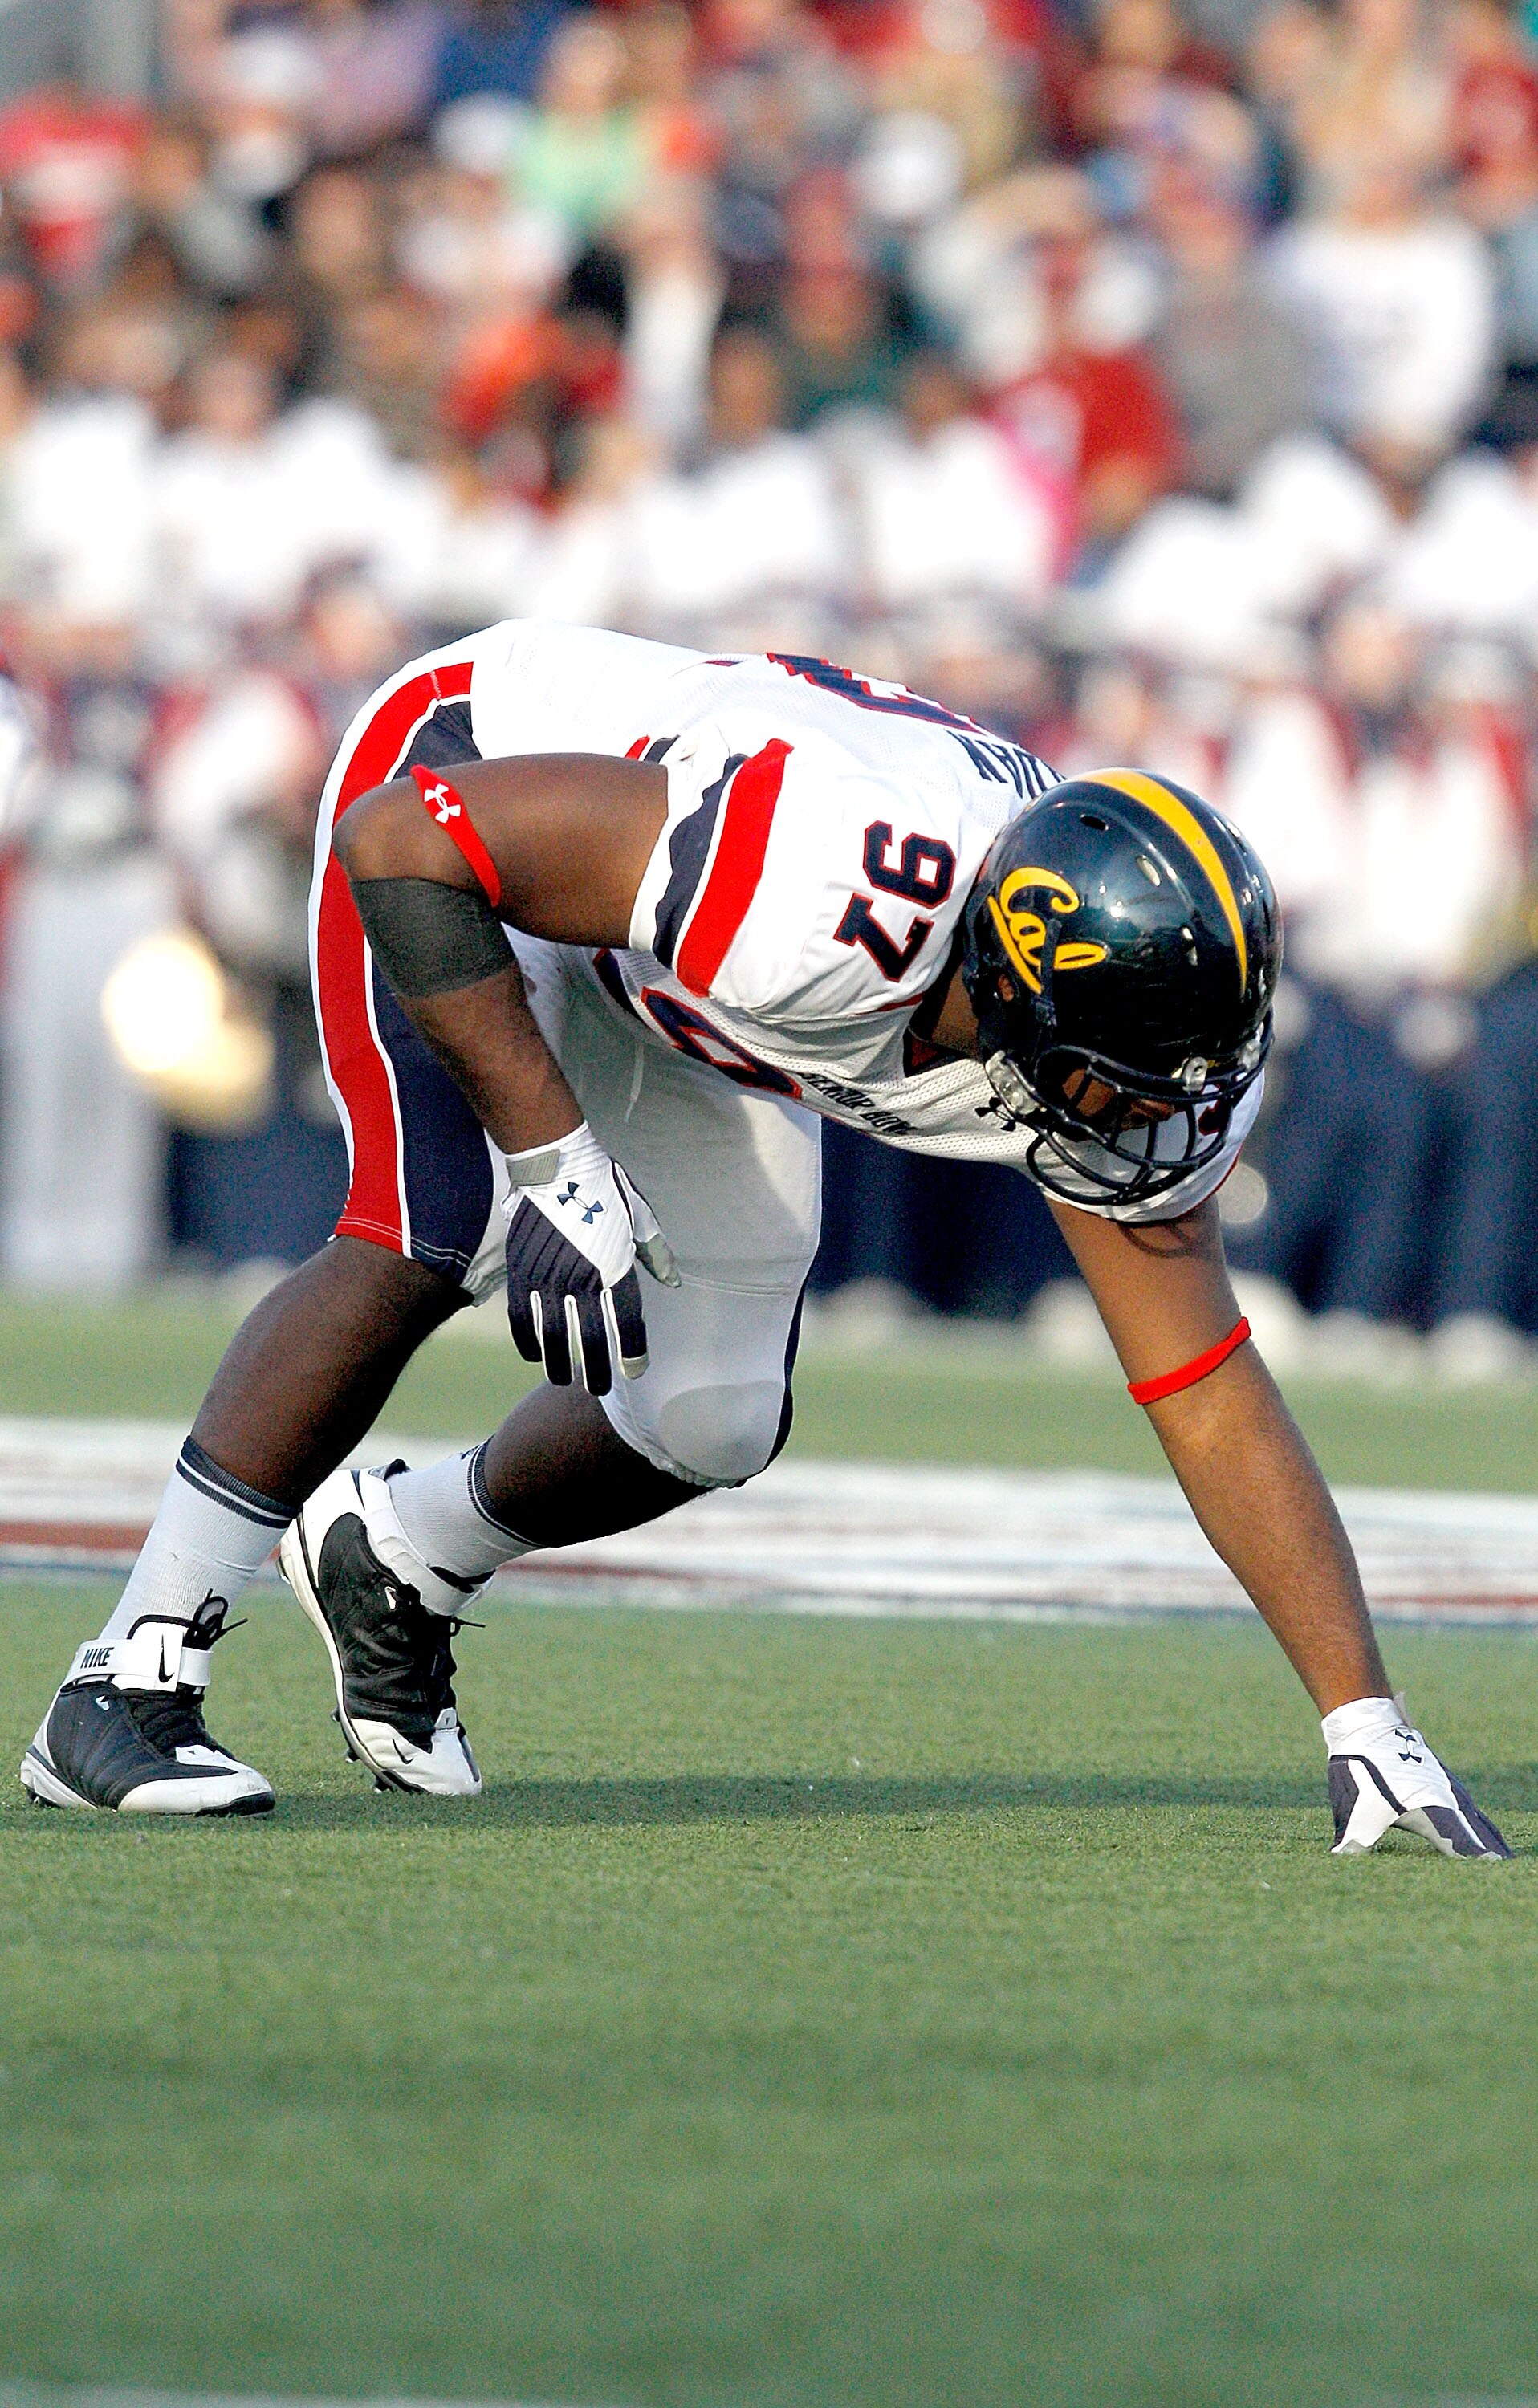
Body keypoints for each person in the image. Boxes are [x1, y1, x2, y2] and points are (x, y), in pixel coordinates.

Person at [19, 620, 1509, 1860]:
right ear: (1013, 987)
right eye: (1127, 1070)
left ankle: (403, 1552)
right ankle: (127, 1681)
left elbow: (1207, 1384)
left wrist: (1363, 1719)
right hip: (468, 797)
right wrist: (555, 1160)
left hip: (673, 963)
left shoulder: (1048, 1009)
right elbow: (408, 844)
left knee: (714, 1409)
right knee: (433, 1221)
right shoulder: (827, 890)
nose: (1154, 1116)